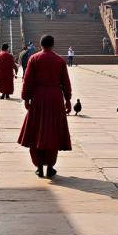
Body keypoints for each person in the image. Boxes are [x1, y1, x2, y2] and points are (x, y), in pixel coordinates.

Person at [18, 34, 72, 178]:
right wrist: (68, 99)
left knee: (36, 131)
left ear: (40, 45)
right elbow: (66, 82)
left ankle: (39, 166)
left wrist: (26, 98)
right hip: (55, 97)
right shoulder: (59, 60)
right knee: (52, 131)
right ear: (53, 45)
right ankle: (50, 167)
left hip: (38, 96)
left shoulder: (34, 59)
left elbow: (27, 80)